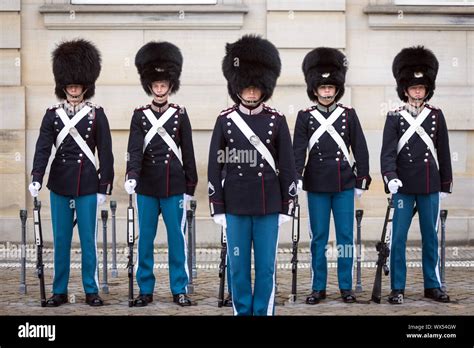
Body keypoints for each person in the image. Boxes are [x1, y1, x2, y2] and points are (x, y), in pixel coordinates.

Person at [208, 35, 297, 315]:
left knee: (266, 266)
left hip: (268, 205)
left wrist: (286, 205)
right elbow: (214, 166)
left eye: (255, 88)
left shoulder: (277, 120)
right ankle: (241, 310)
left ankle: (263, 311)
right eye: (245, 88)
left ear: (263, 89)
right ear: (237, 88)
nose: (250, 93)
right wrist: (217, 207)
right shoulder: (225, 120)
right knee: (238, 266)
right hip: (235, 205)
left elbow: (288, 166)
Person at [29, 39, 114, 307]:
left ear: (85, 86)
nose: (74, 89)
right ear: (63, 86)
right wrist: (36, 176)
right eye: (69, 85)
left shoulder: (96, 115)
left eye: (77, 85)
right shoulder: (52, 115)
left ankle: (91, 290)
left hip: (88, 184)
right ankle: (60, 290)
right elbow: (43, 149)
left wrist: (104, 185)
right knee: (62, 240)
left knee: (88, 241)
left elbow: (106, 152)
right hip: (60, 184)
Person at [293, 47, 371, 304]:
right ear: (314, 89)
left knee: (346, 238)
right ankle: (318, 287)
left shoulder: (348, 115)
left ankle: (346, 287)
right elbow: (298, 149)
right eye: (322, 87)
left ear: (337, 89)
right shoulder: (305, 117)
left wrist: (361, 179)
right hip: (316, 184)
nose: (326, 91)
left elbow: (360, 147)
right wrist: (296, 176)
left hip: (343, 184)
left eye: (330, 87)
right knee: (318, 238)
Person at [125, 41, 198, 307]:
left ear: (170, 86)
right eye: (155, 85)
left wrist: (190, 186)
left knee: (177, 241)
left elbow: (187, 151)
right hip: (146, 186)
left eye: (163, 85)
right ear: (150, 86)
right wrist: (131, 173)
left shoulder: (180, 114)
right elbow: (134, 148)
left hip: (173, 186)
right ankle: (146, 289)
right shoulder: (139, 115)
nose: (159, 89)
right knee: (145, 240)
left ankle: (180, 288)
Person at [381, 46, 452, 304]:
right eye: (413, 88)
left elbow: (443, 151)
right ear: (405, 90)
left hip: (429, 185)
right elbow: (387, 152)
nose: (417, 91)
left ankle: (432, 285)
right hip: (403, 187)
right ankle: (397, 287)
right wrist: (391, 177)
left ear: (427, 89)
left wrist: (445, 183)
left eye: (421, 88)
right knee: (398, 238)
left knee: (430, 238)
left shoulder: (436, 116)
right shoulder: (394, 117)